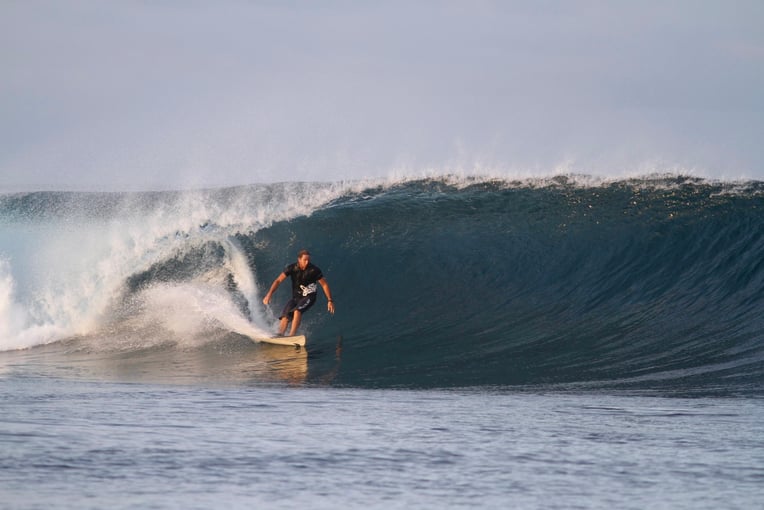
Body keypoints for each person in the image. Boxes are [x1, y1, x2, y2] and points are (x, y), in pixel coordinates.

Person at [262, 249, 335, 336]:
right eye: (305, 260)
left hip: (309, 297)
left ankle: (292, 335)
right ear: (299, 259)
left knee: (297, 311)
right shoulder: (292, 268)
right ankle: (280, 335)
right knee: (285, 316)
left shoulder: (314, 270)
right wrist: (269, 294)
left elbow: (324, 285)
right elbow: (278, 280)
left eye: (308, 260)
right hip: (296, 298)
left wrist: (330, 300)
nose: (307, 262)